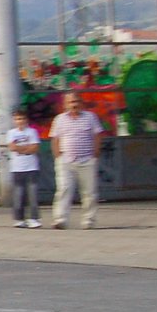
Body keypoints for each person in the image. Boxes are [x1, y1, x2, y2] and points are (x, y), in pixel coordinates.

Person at [48, 91, 105, 229]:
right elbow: (55, 139)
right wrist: (58, 156)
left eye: (76, 101)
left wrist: (95, 154)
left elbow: (97, 135)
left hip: (86, 161)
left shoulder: (90, 117)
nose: (74, 105)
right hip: (66, 161)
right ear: (65, 104)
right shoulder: (59, 119)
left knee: (89, 192)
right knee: (64, 189)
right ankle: (60, 219)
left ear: (81, 103)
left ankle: (88, 221)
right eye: (70, 102)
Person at [6, 107, 42, 228]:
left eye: (21, 118)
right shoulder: (11, 133)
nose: (19, 121)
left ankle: (34, 218)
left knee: (33, 193)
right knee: (18, 194)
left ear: (26, 120)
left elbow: (34, 148)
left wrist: (21, 149)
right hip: (17, 168)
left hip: (31, 167)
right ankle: (19, 218)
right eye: (17, 119)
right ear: (14, 120)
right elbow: (12, 147)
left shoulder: (32, 132)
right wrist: (26, 149)